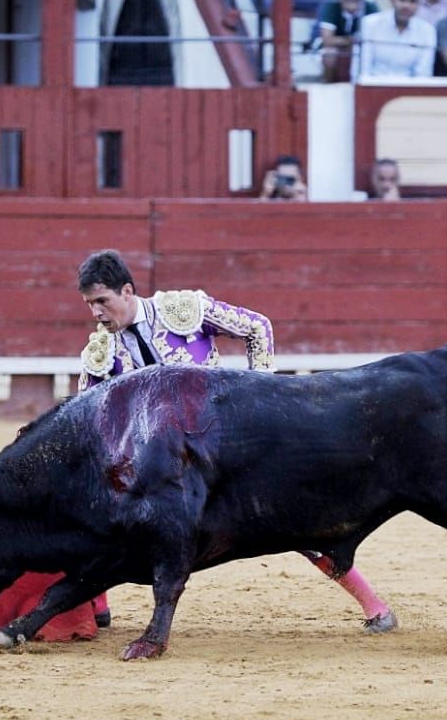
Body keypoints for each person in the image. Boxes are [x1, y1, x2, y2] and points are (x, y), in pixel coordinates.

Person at [73, 249, 395, 633]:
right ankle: (97, 606)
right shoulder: (100, 355)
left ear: (127, 291)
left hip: (225, 447)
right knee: (105, 512)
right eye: (89, 304)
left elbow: (257, 327)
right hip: (169, 468)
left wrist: (264, 397)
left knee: (294, 519)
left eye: (102, 301)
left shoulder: (183, 311)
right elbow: (86, 423)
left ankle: (374, 606)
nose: (96, 312)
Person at [353, 0, 437, 80]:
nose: (406, 5)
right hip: (372, 85)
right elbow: (362, 70)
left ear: (419, 3)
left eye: (412, 1)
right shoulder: (369, 24)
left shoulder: (428, 31)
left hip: (408, 88)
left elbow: (423, 75)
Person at [315, 0, 378, 83]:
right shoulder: (331, 6)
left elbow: (376, 38)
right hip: (338, 47)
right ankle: (329, 85)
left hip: (361, 48)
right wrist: (351, 41)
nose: (352, 0)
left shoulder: (370, 8)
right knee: (329, 54)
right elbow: (327, 40)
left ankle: (363, 85)